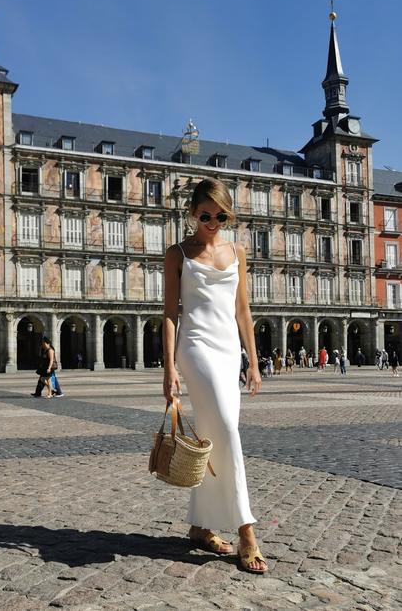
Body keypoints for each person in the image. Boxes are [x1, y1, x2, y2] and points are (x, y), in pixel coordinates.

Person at [163, 178, 268, 575]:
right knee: (227, 430)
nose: (212, 222)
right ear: (192, 214)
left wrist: (253, 361)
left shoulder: (236, 250)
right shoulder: (177, 253)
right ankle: (247, 532)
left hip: (228, 351)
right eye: (205, 215)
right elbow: (170, 314)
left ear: (228, 215)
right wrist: (169, 366)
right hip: (196, 348)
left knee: (215, 435)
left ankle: (201, 526)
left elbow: (243, 311)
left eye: (220, 216)